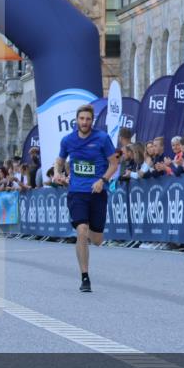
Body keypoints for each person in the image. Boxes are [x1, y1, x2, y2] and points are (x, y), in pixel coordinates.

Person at [54, 104, 117, 293]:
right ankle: (85, 277)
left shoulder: (102, 138)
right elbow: (59, 160)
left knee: (97, 240)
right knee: (81, 231)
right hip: (77, 192)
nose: (84, 122)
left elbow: (114, 163)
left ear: (92, 121)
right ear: (76, 120)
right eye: (81, 119)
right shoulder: (68, 140)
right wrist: (58, 172)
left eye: (88, 119)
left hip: (97, 193)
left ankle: (90, 231)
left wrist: (103, 180)